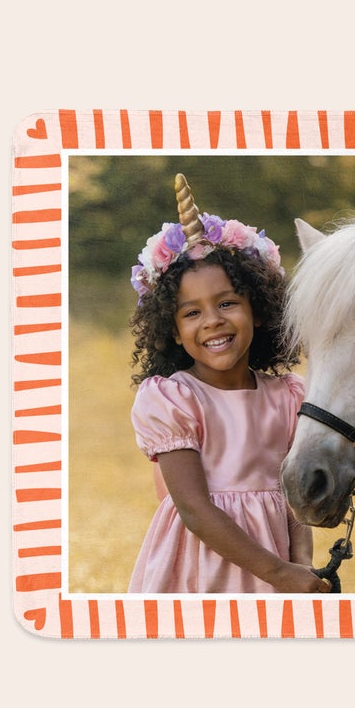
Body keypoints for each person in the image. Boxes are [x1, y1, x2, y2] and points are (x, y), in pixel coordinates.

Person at [126, 175, 330, 593]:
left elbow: (291, 506)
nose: (213, 321)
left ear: (257, 310)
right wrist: (277, 572)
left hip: (276, 569)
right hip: (200, 569)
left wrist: (301, 568)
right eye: (192, 313)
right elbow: (195, 510)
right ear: (173, 329)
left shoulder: (287, 396)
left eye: (226, 303)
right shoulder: (174, 399)